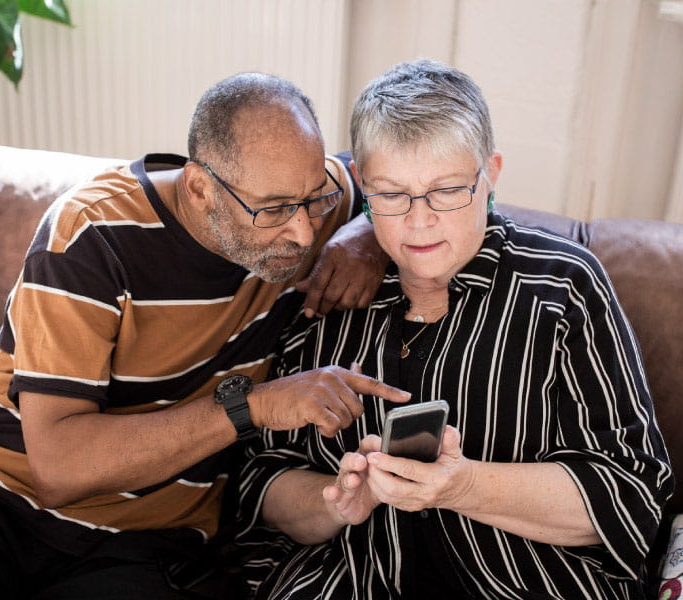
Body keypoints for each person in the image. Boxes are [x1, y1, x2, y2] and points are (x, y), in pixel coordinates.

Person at [0, 73, 411, 599]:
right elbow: (59, 469)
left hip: (144, 540)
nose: (302, 232)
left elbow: (411, 180)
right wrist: (253, 407)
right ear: (199, 187)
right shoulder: (91, 236)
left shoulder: (308, 203)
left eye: (314, 200)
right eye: (273, 210)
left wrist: (366, 229)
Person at [236, 60, 674, 599]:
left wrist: (463, 485)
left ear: (490, 172)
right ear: (365, 192)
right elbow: (262, 484)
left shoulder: (562, 287)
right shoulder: (330, 301)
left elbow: (632, 496)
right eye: (392, 195)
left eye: (446, 191)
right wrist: (339, 500)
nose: (418, 222)